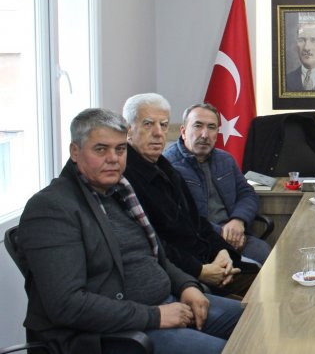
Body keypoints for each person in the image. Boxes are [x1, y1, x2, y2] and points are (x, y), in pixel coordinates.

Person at [17, 108, 242, 354]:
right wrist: (155, 316)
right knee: (236, 350)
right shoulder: (52, 208)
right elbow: (67, 305)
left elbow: (156, 257)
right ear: (74, 151)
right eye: (101, 149)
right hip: (116, 333)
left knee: (255, 319)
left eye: (120, 149)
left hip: (165, 304)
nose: (113, 158)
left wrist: (187, 286)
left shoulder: (120, 193)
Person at [122, 93, 256, 297]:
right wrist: (201, 271)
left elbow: (197, 221)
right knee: (264, 295)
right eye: (148, 124)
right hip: (184, 275)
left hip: (210, 257)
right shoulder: (126, 176)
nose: (158, 133)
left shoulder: (164, 167)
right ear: (128, 129)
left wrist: (222, 252)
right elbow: (154, 244)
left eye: (163, 125)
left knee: (268, 279)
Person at [163, 103, 271, 265]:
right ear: (183, 131)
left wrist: (238, 220)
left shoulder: (225, 159)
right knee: (248, 268)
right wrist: (222, 233)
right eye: (198, 126)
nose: (205, 134)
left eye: (211, 127)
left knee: (268, 258)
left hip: (235, 234)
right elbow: (180, 216)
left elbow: (247, 193)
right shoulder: (167, 165)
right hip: (198, 242)